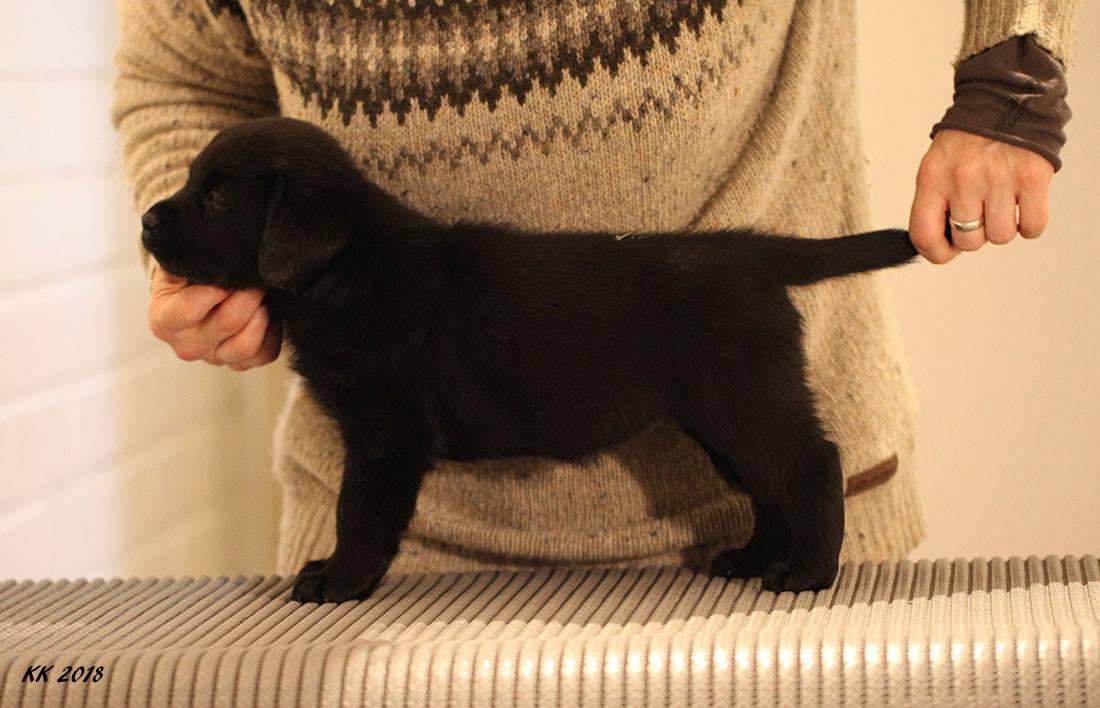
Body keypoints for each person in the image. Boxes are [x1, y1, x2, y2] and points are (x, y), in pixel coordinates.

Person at [114, 0, 1076, 579]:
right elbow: (176, 74)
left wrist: (1013, 73)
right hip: (400, 558)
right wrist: (201, 265)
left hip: (756, 528)